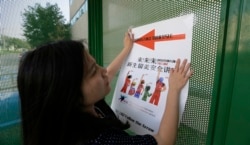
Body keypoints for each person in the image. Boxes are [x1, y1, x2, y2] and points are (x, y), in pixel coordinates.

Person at [17, 30, 193, 145]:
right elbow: (163, 141)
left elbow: (106, 74)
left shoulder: (73, 113)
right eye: (93, 70)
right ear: (68, 94)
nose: (103, 71)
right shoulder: (103, 141)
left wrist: (127, 49)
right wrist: (174, 89)